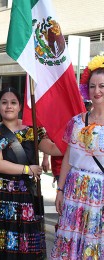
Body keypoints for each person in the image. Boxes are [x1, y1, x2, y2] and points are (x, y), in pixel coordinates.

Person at [0, 87, 62, 259]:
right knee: (4, 247)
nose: (8, 106)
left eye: (13, 103)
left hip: (28, 196)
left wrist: (70, 137)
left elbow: (52, 148)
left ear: (20, 106)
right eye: (4, 102)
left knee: (28, 246)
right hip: (2, 198)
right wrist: (27, 169)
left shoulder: (32, 129)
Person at [51, 55, 104, 259]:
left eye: (102, 86)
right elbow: (68, 158)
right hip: (75, 189)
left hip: (99, 194)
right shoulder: (76, 122)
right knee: (70, 245)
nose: (97, 91)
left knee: (94, 243)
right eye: (92, 86)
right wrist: (60, 190)